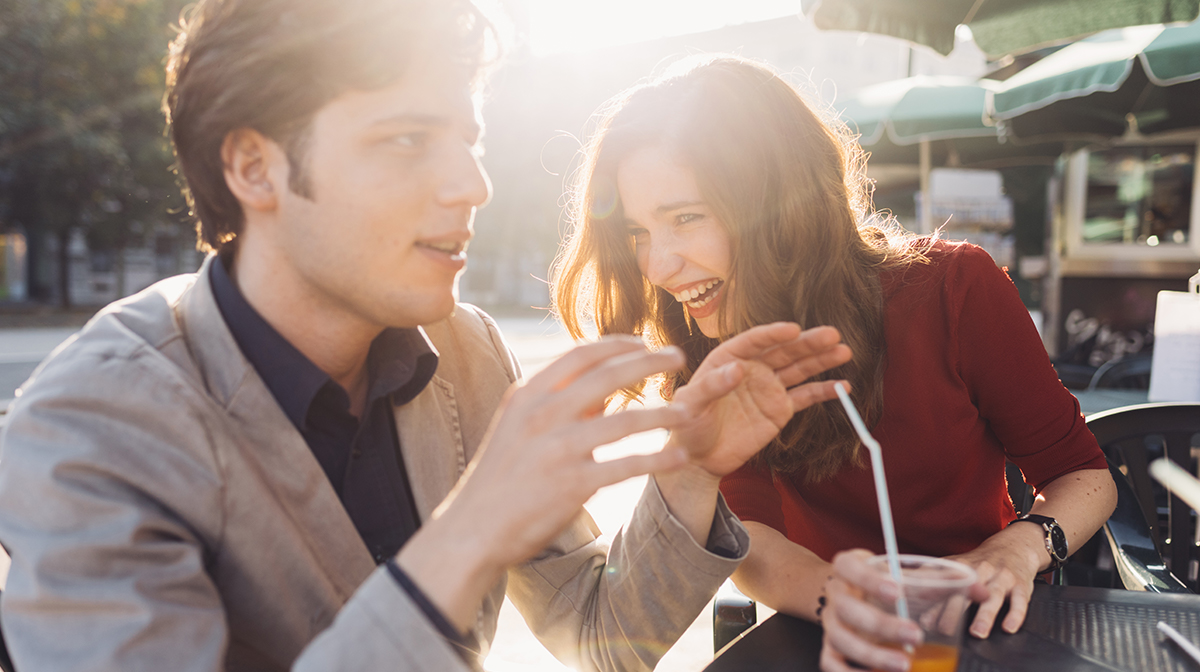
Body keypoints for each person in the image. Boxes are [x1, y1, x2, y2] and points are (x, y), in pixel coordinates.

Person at [0, 7, 854, 672]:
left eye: (469, 141)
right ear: (253, 168)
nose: (473, 184)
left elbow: (600, 639)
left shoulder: (468, 356)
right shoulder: (87, 428)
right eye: (407, 140)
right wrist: (470, 528)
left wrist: (691, 469)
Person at [552, 55, 1117, 672]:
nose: (658, 268)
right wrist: (841, 597)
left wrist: (1019, 547)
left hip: (982, 627)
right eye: (638, 233)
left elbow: (1085, 474)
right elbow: (750, 534)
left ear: (782, 202)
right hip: (822, 633)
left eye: (686, 217)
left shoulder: (954, 289)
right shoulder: (710, 346)